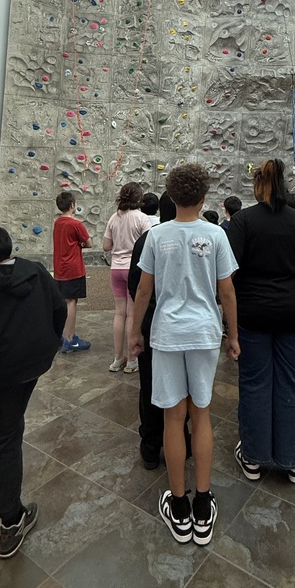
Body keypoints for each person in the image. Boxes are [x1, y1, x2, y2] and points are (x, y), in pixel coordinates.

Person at [129, 164, 239, 547]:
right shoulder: (216, 235)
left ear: (171, 197)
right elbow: (227, 292)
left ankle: (178, 507)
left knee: (173, 418)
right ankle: (204, 505)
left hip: (167, 334)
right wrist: (234, 336)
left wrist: (134, 333)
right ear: (204, 196)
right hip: (205, 332)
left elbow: (143, 292)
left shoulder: (157, 236)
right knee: (202, 414)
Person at [0, 225, 65, 558]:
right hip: (34, 365)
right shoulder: (35, 271)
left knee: (7, 436)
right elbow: (59, 308)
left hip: (7, 374)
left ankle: (11, 521)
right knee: (11, 423)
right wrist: (50, 343)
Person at [226, 158, 295, 485]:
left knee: (255, 383)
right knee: (291, 382)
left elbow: (229, 273)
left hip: (253, 315)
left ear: (259, 186)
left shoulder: (243, 221)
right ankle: (293, 460)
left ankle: (254, 457)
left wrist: (230, 321)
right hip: (293, 315)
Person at [128, 192, 190, 470]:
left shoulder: (148, 240)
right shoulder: (195, 238)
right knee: (183, 385)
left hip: (154, 321)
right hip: (186, 324)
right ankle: (183, 441)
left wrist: (137, 328)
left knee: (152, 384)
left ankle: (152, 444)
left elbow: (136, 286)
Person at [103, 182, 152, 373]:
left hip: (116, 268)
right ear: (139, 198)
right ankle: (132, 360)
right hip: (134, 269)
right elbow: (149, 243)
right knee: (132, 314)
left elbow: (106, 246)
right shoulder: (142, 218)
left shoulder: (114, 218)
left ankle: (117, 359)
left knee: (119, 313)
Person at [53, 191, 92, 353]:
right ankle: (69, 338)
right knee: (71, 302)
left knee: (64, 301)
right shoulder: (76, 224)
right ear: (72, 205)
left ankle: (64, 335)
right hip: (73, 268)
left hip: (59, 268)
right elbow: (88, 242)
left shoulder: (58, 223)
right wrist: (80, 245)